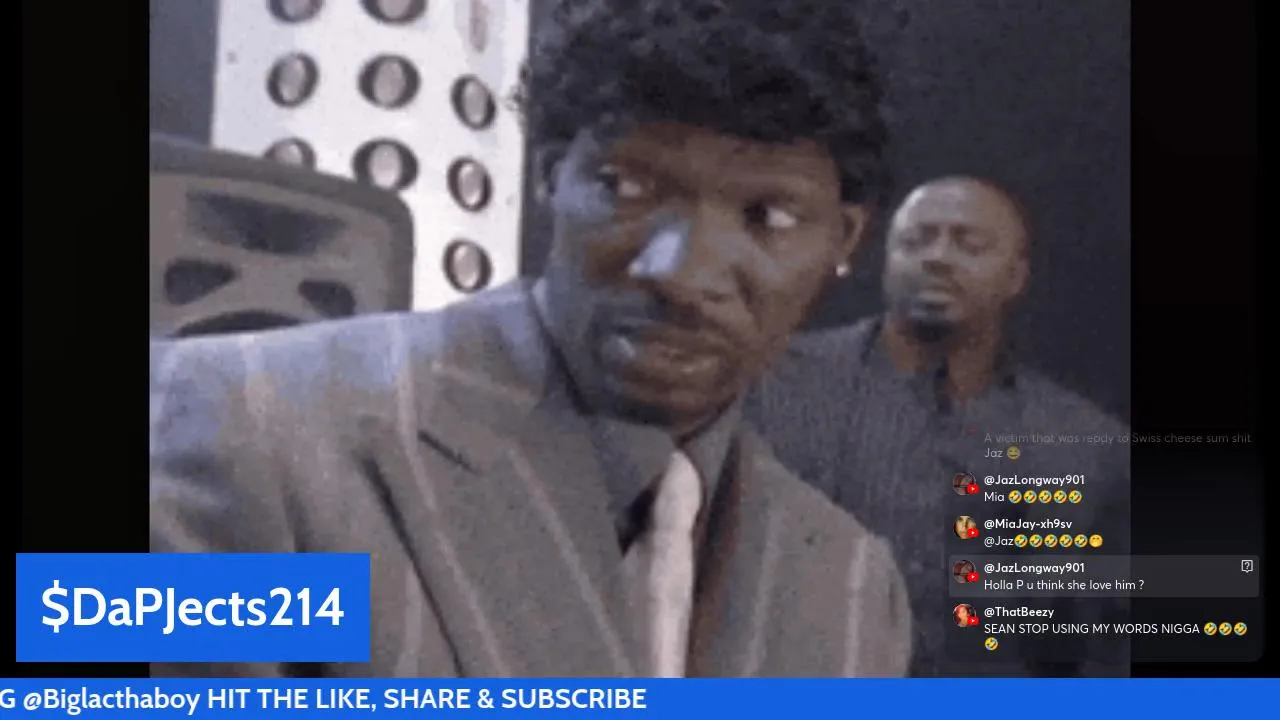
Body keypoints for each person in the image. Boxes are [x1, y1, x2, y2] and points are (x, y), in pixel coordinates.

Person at [150, 0, 912, 678]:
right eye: (626, 188)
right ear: (549, 174)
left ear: (844, 239)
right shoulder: (245, 424)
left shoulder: (853, 588)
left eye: (768, 217)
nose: (682, 273)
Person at [746, 176, 1130, 676]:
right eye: (916, 240)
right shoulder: (772, 386)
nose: (938, 258)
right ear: (885, 259)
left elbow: (1101, 647)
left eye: (970, 245)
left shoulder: (1083, 444)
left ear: (1016, 277)